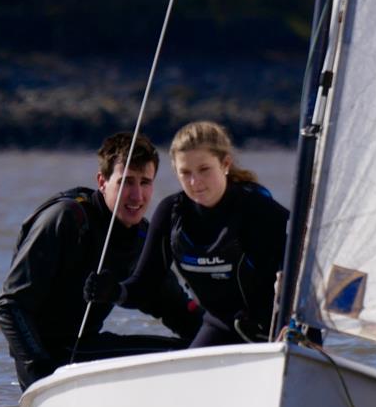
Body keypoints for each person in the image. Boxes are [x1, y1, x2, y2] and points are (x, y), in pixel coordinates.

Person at [0, 132, 202, 390]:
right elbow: (9, 307)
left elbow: (175, 309)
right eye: (126, 182)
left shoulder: (140, 238)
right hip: (50, 364)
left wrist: (231, 341)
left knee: (197, 351)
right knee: (182, 356)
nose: (137, 196)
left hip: (86, 349)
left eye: (145, 182)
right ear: (102, 181)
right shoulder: (67, 219)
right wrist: (41, 373)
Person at [84, 121, 289, 348]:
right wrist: (114, 291)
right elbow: (144, 286)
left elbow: (313, 269)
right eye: (185, 173)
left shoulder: (259, 210)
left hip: (282, 330)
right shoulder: (171, 214)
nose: (195, 182)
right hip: (221, 328)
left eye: (204, 170)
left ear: (225, 164)